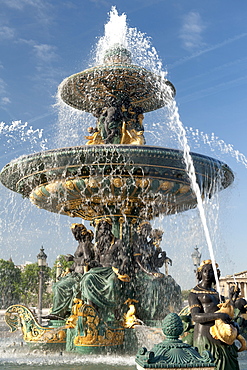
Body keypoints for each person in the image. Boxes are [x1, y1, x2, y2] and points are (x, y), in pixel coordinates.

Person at [188, 260, 240, 370]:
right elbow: (195, 317)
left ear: (216, 274)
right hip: (205, 336)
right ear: (200, 273)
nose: (207, 274)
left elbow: (226, 311)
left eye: (211, 272)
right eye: (205, 271)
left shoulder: (216, 293)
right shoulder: (194, 293)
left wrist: (231, 298)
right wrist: (218, 316)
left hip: (221, 335)